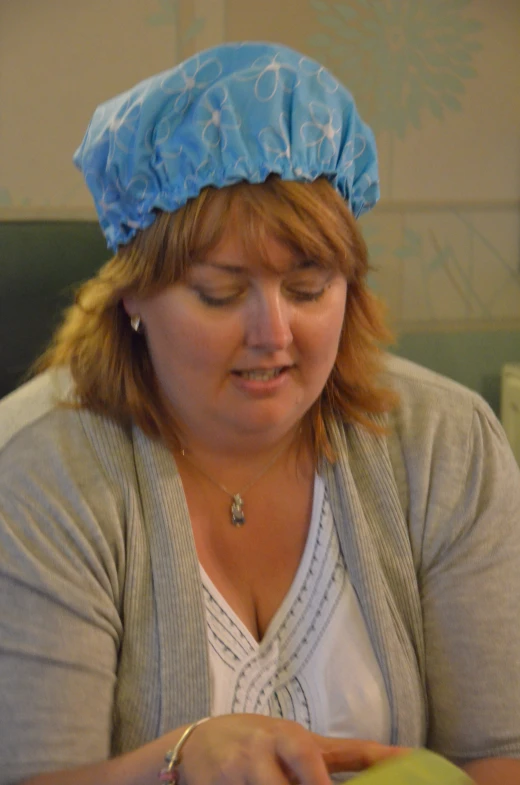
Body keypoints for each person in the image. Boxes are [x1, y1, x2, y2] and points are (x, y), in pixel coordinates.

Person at [0, 41, 519, 785]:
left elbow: (501, 751)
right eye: (219, 291)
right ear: (133, 297)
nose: (273, 334)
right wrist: (173, 764)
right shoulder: (44, 479)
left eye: (308, 287)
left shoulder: (447, 446)